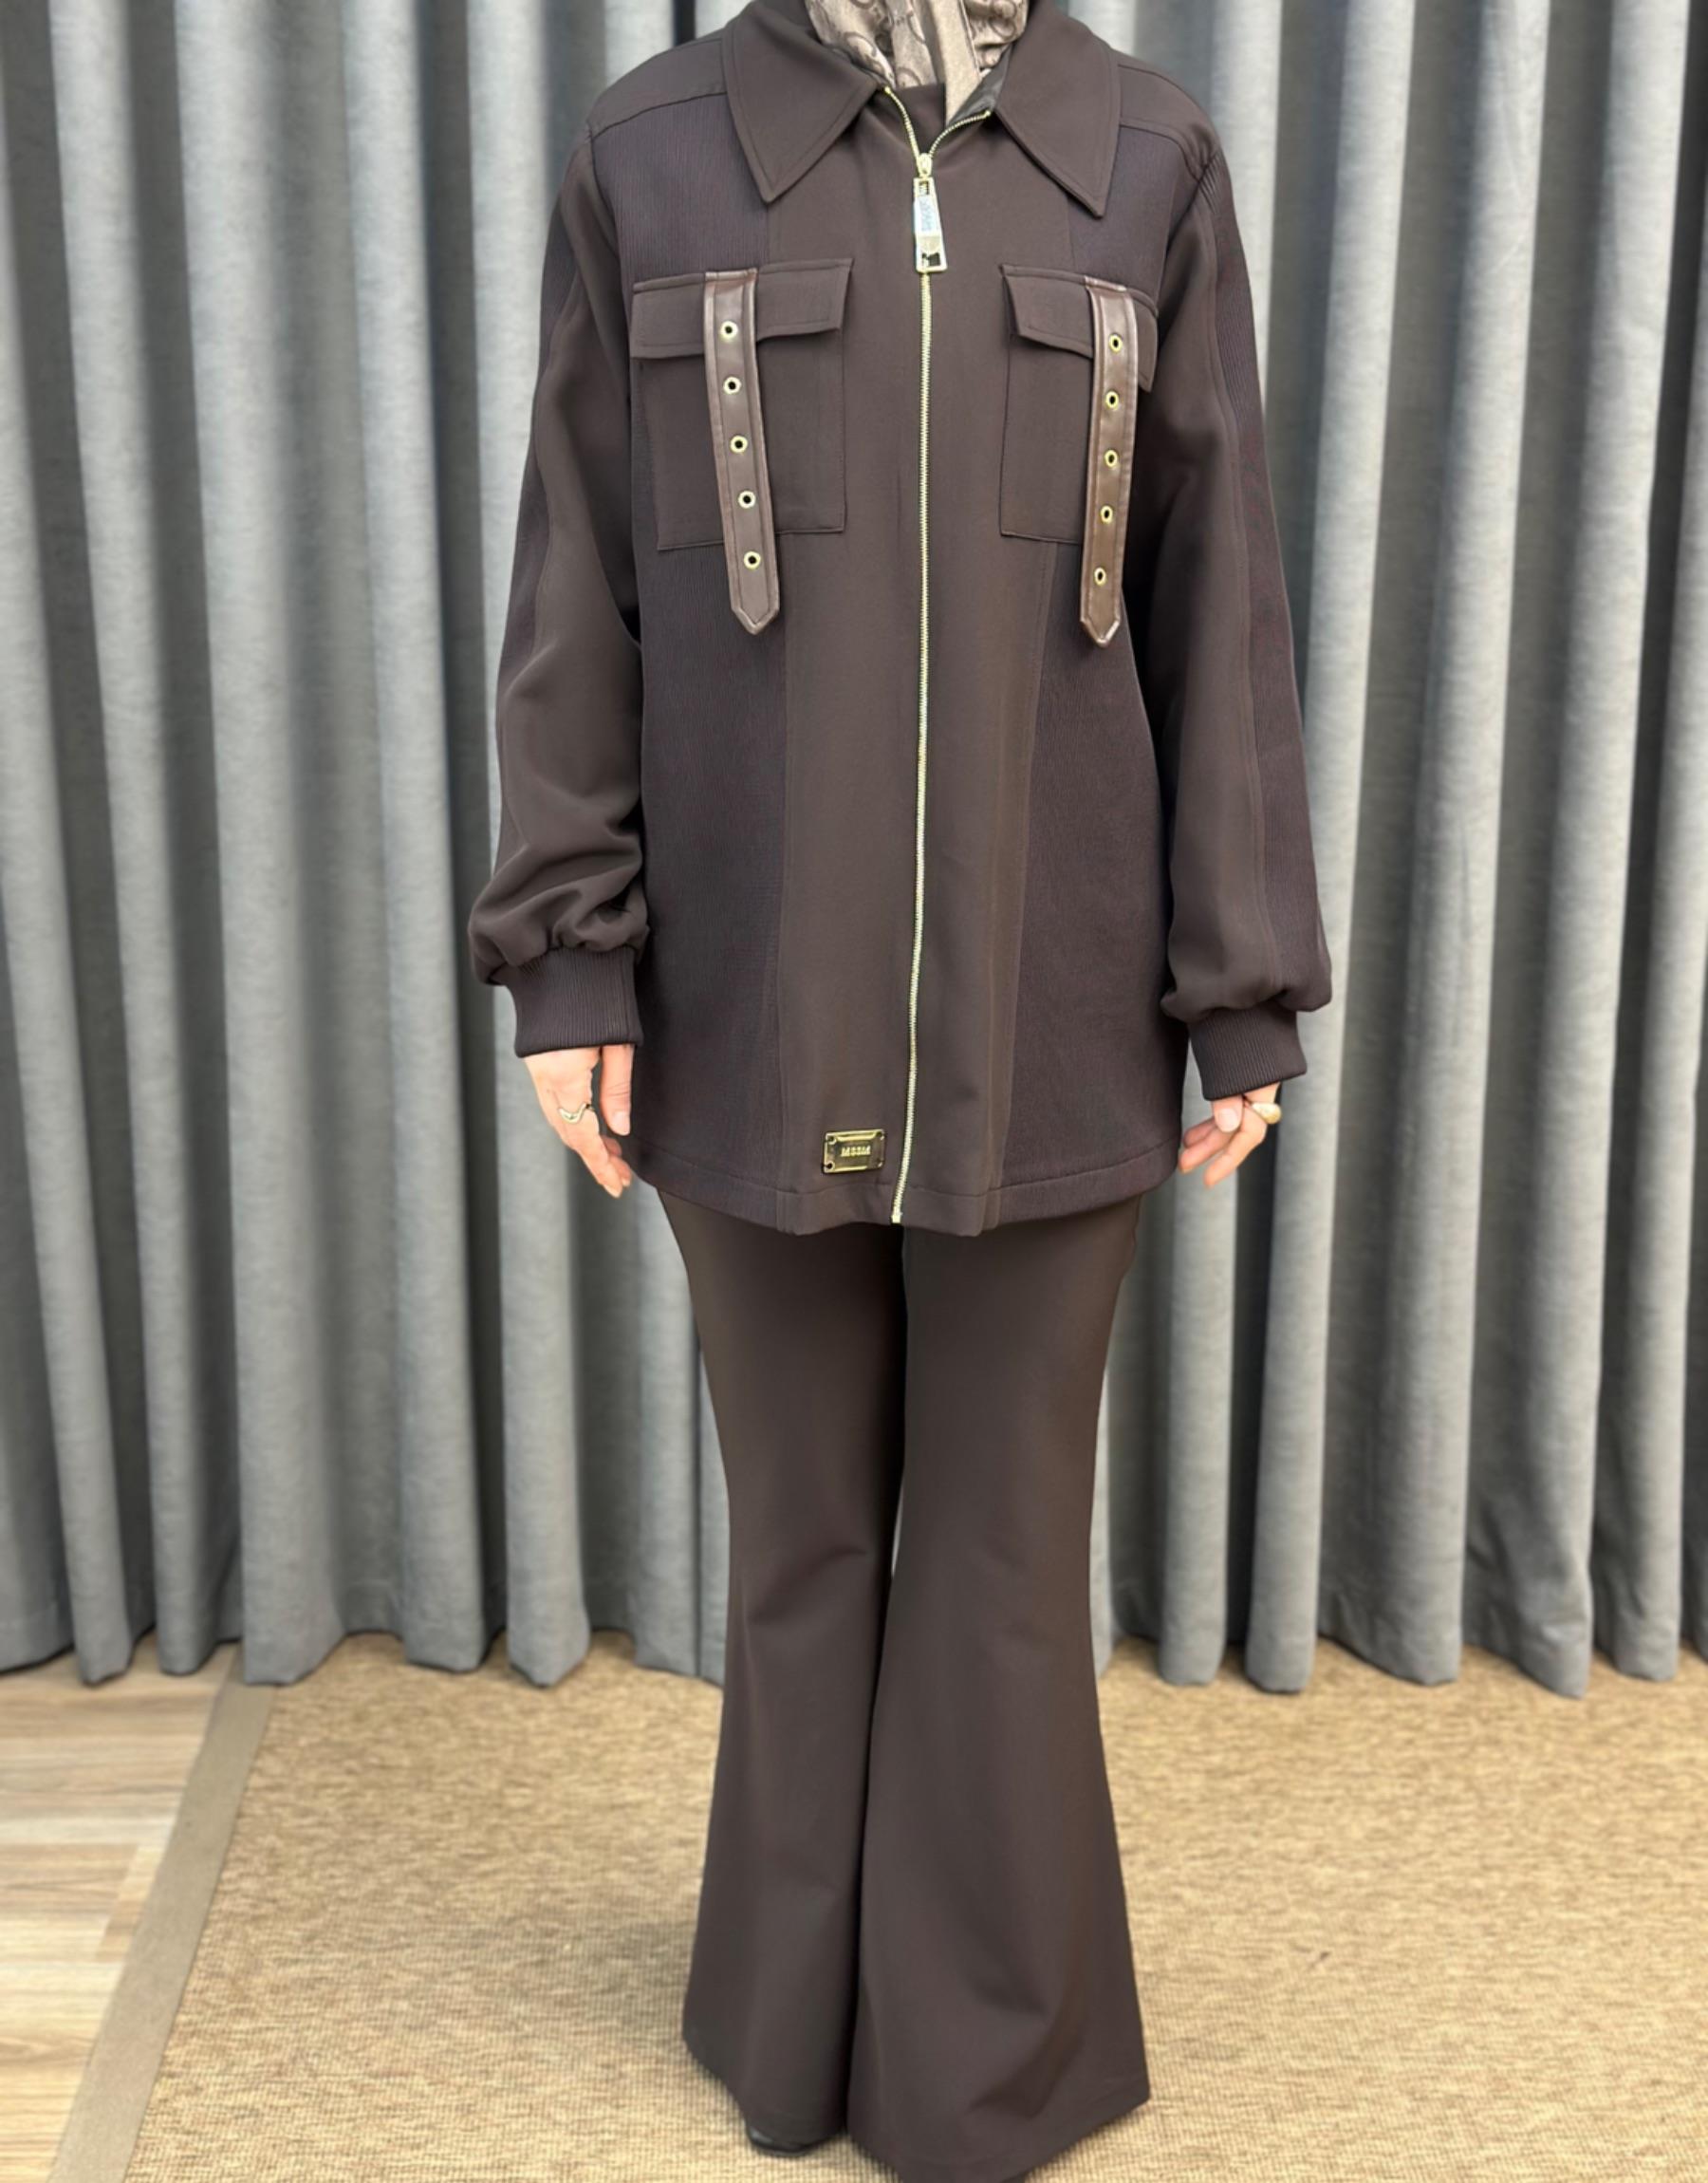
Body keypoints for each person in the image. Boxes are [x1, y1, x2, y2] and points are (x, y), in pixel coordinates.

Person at [466, 1, 1333, 2175]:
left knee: (1006, 1546)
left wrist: (1239, 984)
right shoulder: (650, 154)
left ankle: (981, 2074)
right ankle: (790, 2026)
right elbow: (575, 585)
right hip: (748, 994)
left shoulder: (1147, 157)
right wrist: (569, 956)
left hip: (1061, 999)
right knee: (803, 1537)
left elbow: (1219, 589)